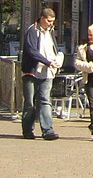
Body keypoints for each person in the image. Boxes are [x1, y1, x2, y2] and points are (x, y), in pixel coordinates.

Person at [21, 7, 63, 141]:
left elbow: (53, 49)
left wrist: (56, 60)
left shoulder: (50, 32)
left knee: (45, 100)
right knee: (30, 103)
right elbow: (31, 50)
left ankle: (48, 131)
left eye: (53, 21)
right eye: (49, 21)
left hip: (47, 72)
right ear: (42, 18)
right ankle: (28, 130)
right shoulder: (32, 31)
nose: (52, 24)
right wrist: (47, 62)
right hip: (32, 71)